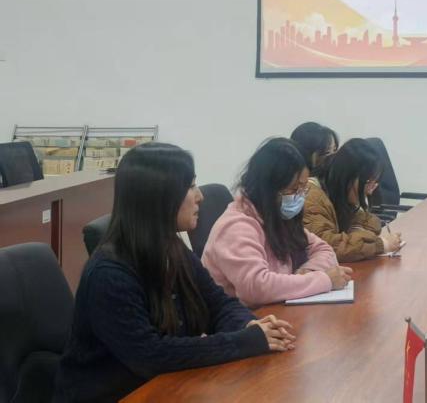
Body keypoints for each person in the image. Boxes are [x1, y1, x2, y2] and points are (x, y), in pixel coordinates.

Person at [55, 144, 296, 403]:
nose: (200, 196)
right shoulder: (109, 274)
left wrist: (248, 325)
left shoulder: (172, 248)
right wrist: (242, 342)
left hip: (169, 386)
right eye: (190, 186)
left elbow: (219, 303)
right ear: (159, 197)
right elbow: (151, 355)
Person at [202, 137, 352, 307]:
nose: (300, 196)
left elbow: (324, 250)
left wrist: (307, 272)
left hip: (276, 310)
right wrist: (323, 280)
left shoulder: (276, 216)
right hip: (247, 317)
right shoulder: (236, 226)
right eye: (294, 189)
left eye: (303, 188)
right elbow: (256, 288)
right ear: (269, 188)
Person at [304, 138, 403, 262]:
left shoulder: (340, 192)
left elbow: (372, 224)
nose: (370, 191)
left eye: (375, 183)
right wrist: (381, 245)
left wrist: (357, 233)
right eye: (368, 182)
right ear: (347, 176)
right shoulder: (311, 198)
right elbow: (329, 248)